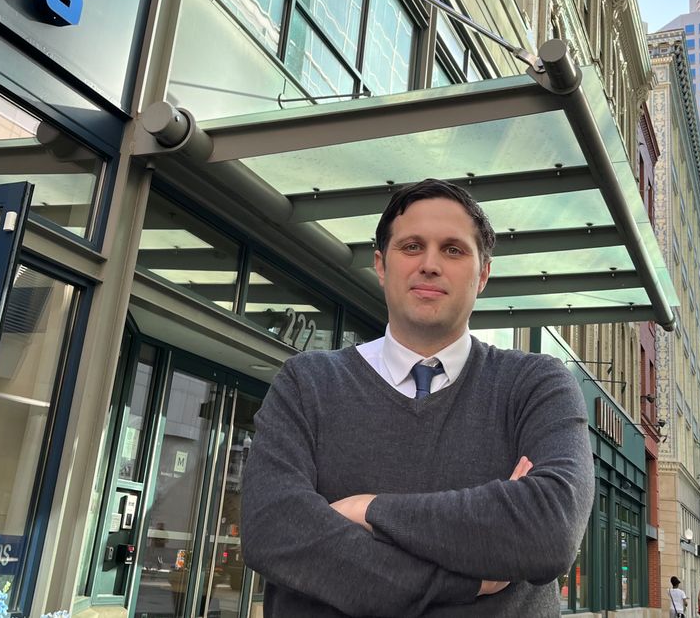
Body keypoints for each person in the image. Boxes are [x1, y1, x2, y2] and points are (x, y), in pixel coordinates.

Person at [241, 179, 594, 616]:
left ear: (482, 274)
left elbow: (549, 529)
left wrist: (368, 510)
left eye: (453, 249)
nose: (429, 264)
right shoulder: (306, 383)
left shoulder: (536, 384)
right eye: (411, 246)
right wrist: (464, 579)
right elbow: (274, 530)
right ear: (381, 265)